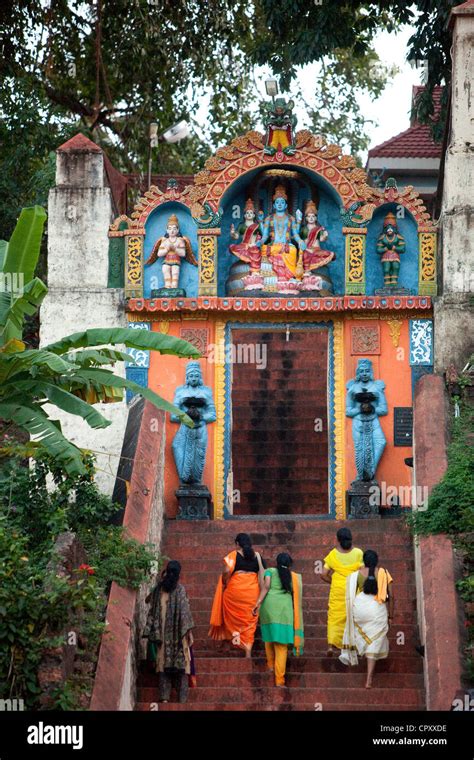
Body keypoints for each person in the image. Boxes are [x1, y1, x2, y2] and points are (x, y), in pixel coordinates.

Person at [339, 549, 394, 688]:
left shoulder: (356, 575)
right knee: (374, 642)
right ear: (377, 561)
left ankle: (364, 651)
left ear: (364, 561)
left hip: (360, 608)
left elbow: (351, 594)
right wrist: (391, 616)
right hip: (376, 608)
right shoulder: (383, 573)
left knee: (365, 635)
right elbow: (391, 597)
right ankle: (369, 678)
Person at [142, 560, 195, 703]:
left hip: (162, 635)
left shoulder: (159, 589)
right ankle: (182, 699)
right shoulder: (180, 590)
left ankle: (164, 698)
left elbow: (148, 602)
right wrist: (189, 633)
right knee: (182, 666)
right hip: (179, 636)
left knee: (163, 664)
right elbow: (185, 614)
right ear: (178, 574)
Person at [208, 533, 265, 657]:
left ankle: (228, 643)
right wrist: (260, 598)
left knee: (230, 619)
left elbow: (227, 570)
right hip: (252, 594)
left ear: (237, 544)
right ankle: (248, 651)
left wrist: (224, 580)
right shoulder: (258, 556)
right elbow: (262, 578)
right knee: (249, 623)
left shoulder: (234, 554)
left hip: (234, 593)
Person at [252, 552, 304, 687]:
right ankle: (279, 680)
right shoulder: (293, 577)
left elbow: (266, 587)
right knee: (281, 646)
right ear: (289, 564)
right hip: (284, 611)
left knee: (269, 638)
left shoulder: (269, 571)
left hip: (268, 608)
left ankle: (270, 666)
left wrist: (257, 603)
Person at [321, 528, 363, 655]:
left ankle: (330, 646)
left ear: (338, 540)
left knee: (334, 617)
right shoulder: (358, 553)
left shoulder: (333, 554)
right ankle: (352, 644)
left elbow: (323, 574)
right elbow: (363, 572)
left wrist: (332, 582)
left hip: (337, 589)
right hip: (353, 588)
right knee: (352, 616)